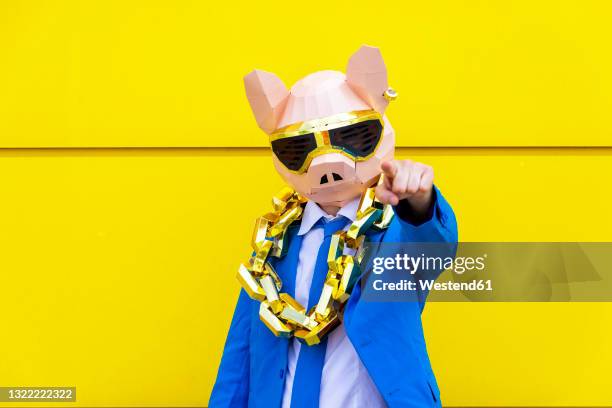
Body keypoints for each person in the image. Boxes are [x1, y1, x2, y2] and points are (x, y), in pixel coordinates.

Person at [209, 45, 458, 408]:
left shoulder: (396, 231)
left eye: (352, 138)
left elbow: (432, 248)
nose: (327, 162)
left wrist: (418, 200)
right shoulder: (272, 246)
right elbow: (241, 351)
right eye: (299, 149)